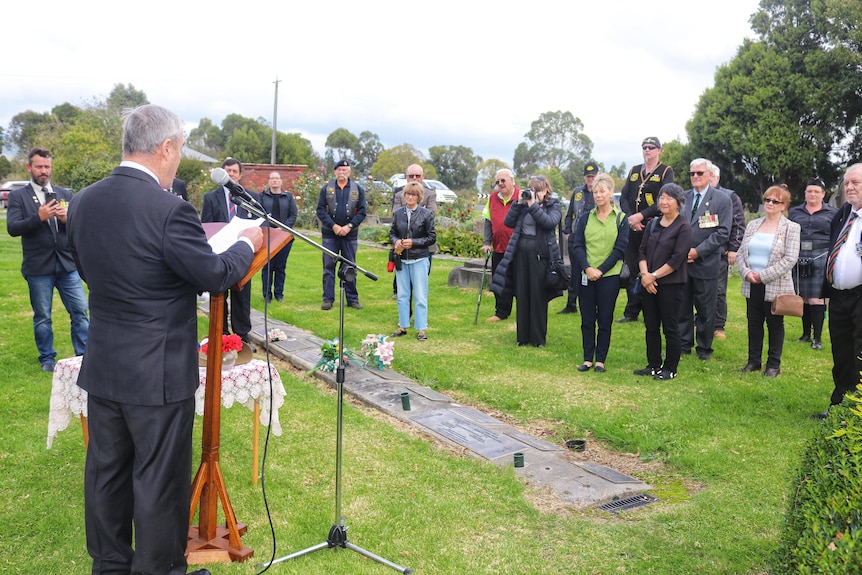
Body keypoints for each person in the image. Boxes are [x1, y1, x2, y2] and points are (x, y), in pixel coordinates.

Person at [66, 104, 263, 575]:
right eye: (178, 151)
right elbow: (214, 274)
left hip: (106, 362)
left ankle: (110, 566)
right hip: (156, 374)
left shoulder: (84, 201)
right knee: (158, 482)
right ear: (167, 147)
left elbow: (87, 267)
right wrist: (247, 243)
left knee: (107, 475)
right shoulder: (170, 210)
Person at [6, 147, 89, 372]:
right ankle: (47, 358)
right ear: (29, 167)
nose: (43, 171)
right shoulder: (17, 196)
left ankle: (83, 355)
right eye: (39, 166)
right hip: (38, 267)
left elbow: (77, 228)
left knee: (80, 310)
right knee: (43, 316)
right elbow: (13, 228)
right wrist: (38, 217)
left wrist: (66, 220)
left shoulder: (64, 194)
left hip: (67, 264)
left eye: (47, 167)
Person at [490, 175, 562, 347]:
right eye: (533, 190)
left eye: (539, 190)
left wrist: (533, 206)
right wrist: (519, 204)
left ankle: (538, 339)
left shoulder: (553, 206)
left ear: (546, 191)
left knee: (538, 296)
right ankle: (522, 337)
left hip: (541, 256)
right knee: (522, 294)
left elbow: (549, 223)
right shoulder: (523, 205)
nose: (535, 193)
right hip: (520, 254)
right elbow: (508, 222)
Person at [737, 186, 800, 378]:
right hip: (751, 283)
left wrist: (762, 276)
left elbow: (790, 259)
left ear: (784, 205)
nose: (770, 204)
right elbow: (741, 252)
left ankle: (773, 365)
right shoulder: (753, 225)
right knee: (753, 323)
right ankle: (753, 361)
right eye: (767, 200)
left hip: (774, 284)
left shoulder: (791, 227)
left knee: (774, 324)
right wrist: (747, 273)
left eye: (775, 201)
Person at [815, 163, 862, 418]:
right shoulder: (844, 213)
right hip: (839, 296)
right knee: (841, 351)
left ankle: (857, 412)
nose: (850, 187)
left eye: (856, 182)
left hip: (860, 296)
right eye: (847, 183)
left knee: (859, 353)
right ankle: (839, 407)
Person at [570, 173, 628, 372]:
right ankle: (587, 358)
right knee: (587, 318)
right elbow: (577, 245)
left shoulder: (620, 219)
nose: (598, 195)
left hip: (609, 277)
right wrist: (588, 268)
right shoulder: (586, 218)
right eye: (595, 192)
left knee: (604, 318)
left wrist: (601, 271)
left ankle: (600, 359)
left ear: (611, 193)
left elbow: (620, 249)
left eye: (602, 191)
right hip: (587, 274)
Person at [635, 183, 692, 380]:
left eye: (669, 198)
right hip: (647, 283)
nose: (664, 201)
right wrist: (645, 275)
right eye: (662, 197)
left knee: (670, 326)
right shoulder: (652, 224)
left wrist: (654, 276)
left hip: (670, 285)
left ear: (678, 202)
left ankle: (670, 368)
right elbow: (641, 251)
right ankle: (653, 364)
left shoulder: (683, 226)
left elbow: (677, 259)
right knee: (651, 325)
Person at [680, 158, 732, 360]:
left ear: (710, 175)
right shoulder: (683, 198)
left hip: (707, 262)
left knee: (705, 308)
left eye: (699, 173)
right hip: (682, 263)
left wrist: (698, 252)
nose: (695, 177)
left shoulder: (721, 200)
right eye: (692, 173)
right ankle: (684, 344)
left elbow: (722, 232)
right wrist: (682, 252)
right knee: (683, 306)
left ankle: (704, 348)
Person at [617, 137, 675, 323]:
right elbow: (624, 197)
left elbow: (665, 200)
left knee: (651, 266)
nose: (647, 150)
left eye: (651, 147)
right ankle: (631, 311)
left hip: (652, 225)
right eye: (644, 147)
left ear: (659, 150)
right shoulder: (634, 171)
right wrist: (630, 218)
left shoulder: (666, 171)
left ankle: (654, 309)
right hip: (633, 226)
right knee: (632, 266)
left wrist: (641, 216)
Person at [201, 158, 258, 343]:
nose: (231, 174)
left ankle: (242, 336)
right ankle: (221, 334)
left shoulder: (250, 197)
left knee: (242, 294)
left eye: (234, 171)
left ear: (240, 174)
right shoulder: (211, 198)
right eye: (228, 171)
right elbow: (206, 225)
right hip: (220, 254)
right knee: (219, 295)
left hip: (244, 253)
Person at [788, 177, 837, 349]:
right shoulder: (794, 212)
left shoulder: (832, 213)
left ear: (823, 194)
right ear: (805, 193)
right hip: (798, 253)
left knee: (817, 298)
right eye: (810, 191)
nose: (813, 194)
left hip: (821, 255)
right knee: (803, 297)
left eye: (817, 191)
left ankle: (817, 338)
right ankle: (805, 334)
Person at [316, 159, 367, 310]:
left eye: (344, 170)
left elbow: (363, 211)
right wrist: (334, 226)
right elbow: (320, 210)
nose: (342, 173)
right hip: (330, 235)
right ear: (335, 172)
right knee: (328, 267)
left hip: (349, 235)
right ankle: (328, 299)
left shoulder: (357, 189)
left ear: (349, 172)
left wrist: (349, 226)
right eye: (339, 170)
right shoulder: (327, 189)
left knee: (350, 266)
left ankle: (352, 299)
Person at [389, 181, 436, 340]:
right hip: (402, 259)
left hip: (420, 259)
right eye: (408, 194)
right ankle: (402, 326)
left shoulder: (426, 214)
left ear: (419, 197)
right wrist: (396, 241)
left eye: (413, 195)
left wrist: (414, 242)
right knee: (403, 294)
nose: (410, 197)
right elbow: (392, 233)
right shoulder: (398, 213)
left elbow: (431, 238)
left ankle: (421, 329)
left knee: (420, 295)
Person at [709, 164, 745, 341]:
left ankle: (718, 326)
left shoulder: (729, 196)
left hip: (721, 252)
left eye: (709, 177)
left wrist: (733, 248)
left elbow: (738, 224)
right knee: (697, 290)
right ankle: (698, 321)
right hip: (698, 252)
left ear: (716, 178)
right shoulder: (696, 197)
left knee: (719, 290)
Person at [559, 161, 598, 314]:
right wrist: (568, 232)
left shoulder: (600, 192)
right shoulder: (577, 192)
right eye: (588, 176)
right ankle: (571, 304)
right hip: (576, 237)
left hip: (593, 238)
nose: (590, 179)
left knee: (590, 270)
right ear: (584, 177)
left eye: (593, 176)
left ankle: (591, 303)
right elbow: (569, 214)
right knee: (574, 271)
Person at [391, 164, 437, 298]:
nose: (414, 178)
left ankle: (421, 317)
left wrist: (418, 211)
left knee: (420, 286)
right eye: (412, 176)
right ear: (406, 177)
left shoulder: (430, 194)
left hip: (423, 246)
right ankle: (405, 314)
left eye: (417, 176)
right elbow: (396, 214)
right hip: (403, 244)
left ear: (422, 177)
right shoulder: (400, 194)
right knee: (404, 288)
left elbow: (432, 213)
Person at [481, 168, 519, 322]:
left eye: (503, 180)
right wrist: (486, 242)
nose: (500, 184)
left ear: (512, 180)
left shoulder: (521, 196)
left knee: (520, 281)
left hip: (518, 249)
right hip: (498, 248)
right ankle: (501, 312)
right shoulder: (492, 198)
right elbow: (488, 222)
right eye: (498, 181)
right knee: (499, 281)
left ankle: (524, 311)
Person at [259, 171, 298, 303]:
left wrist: (283, 228)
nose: (274, 181)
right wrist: (268, 228)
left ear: (281, 181)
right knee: (267, 266)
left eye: (277, 178)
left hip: (284, 236)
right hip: (267, 236)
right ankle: (267, 295)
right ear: (269, 181)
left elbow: (293, 215)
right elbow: (258, 214)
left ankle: (279, 294)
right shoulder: (262, 197)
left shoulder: (288, 197)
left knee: (280, 266)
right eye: (272, 178)